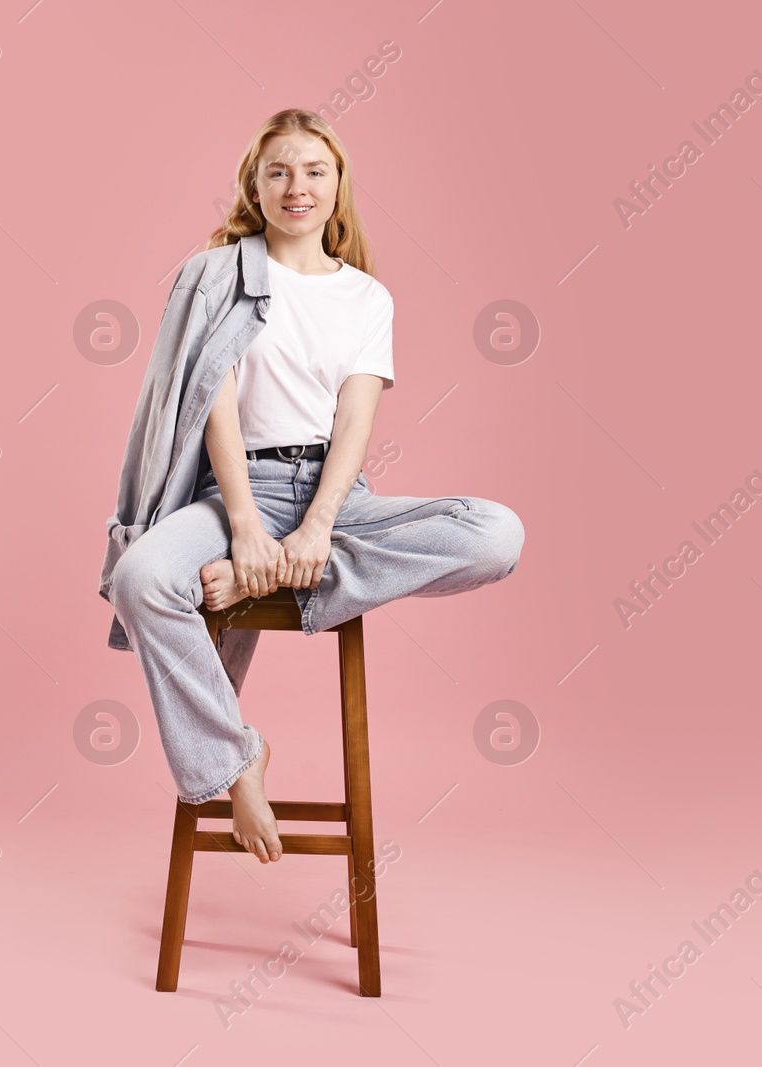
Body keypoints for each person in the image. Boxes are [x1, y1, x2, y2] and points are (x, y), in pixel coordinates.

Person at [100, 108, 524, 864]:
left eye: (315, 171)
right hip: (240, 490)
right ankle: (236, 759)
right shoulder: (217, 276)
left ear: (338, 188)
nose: (298, 186)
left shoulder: (367, 297)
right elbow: (213, 410)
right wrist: (246, 527)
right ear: (255, 188)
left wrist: (319, 525)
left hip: (335, 495)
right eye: (279, 172)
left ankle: (268, 576)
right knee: (140, 577)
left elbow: (356, 419)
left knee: (496, 533)